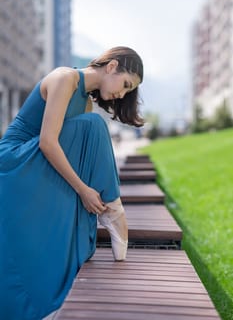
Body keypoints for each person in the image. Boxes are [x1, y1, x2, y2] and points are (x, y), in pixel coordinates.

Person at [0, 46, 144, 320]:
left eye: (128, 92)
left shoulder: (87, 103)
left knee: (91, 129)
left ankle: (103, 215)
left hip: (37, 164)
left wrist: (85, 193)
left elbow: (71, 155)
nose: (122, 94)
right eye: (125, 85)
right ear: (112, 66)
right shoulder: (65, 78)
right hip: (13, 162)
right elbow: (47, 142)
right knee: (94, 126)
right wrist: (83, 189)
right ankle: (113, 209)